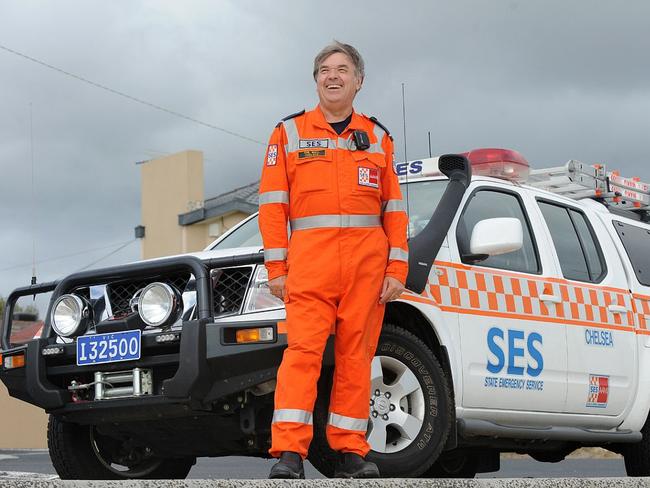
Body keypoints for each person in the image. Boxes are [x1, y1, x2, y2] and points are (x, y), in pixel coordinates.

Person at [258, 41, 409, 479]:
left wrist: (396, 269)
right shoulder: (288, 133)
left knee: (356, 359)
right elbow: (272, 206)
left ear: (358, 81)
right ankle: (289, 453)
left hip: (367, 267)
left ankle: (350, 453)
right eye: (324, 69)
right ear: (316, 80)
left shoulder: (378, 138)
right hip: (311, 265)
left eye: (342, 69)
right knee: (301, 355)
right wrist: (277, 269)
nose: (333, 76)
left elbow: (393, 209)